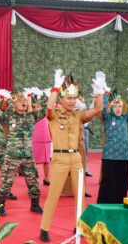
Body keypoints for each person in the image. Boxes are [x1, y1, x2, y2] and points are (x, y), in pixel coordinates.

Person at [40, 70, 104, 242]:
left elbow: (98, 109)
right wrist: (55, 88)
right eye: (69, 98)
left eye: (74, 98)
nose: (72, 101)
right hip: (60, 159)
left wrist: (99, 92)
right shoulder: (54, 115)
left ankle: (80, 227)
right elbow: (48, 108)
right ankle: (44, 228)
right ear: (62, 99)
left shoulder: (78, 115)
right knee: (53, 195)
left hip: (76, 159)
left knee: (80, 195)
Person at [0, 88, 45, 216]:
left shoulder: (31, 117)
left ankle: (35, 205)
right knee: (7, 181)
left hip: (28, 156)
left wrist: (41, 97)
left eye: (24, 100)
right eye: (20, 100)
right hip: (12, 156)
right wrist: (0, 98)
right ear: (14, 103)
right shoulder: (9, 117)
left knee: (33, 181)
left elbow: (46, 111)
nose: (23, 102)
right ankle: (0, 206)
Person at [97, 89, 128, 204]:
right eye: (116, 106)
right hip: (110, 156)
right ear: (112, 107)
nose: (118, 109)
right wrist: (106, 94)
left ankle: (119, 204)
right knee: (108, 182)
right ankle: (104, 205)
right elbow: (102, 111)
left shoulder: (125, 118)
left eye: (120, 107)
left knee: (123, 182)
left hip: (125, 156)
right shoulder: (108, 118)